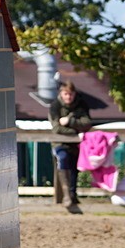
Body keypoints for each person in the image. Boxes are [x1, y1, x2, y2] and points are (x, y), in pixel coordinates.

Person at [49, 81, 93, 214]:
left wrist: (70, 121)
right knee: (63, 160)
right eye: (66, 94)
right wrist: (76, 132)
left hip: (78, 144)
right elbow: (57, 128)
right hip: (60, 143)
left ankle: (73, 195)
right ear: (61, 94)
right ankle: (66, 194)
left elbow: (87, 123)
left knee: (75, 169)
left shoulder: (81, 104)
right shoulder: (55, 106)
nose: (68, 97)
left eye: (71, 94)